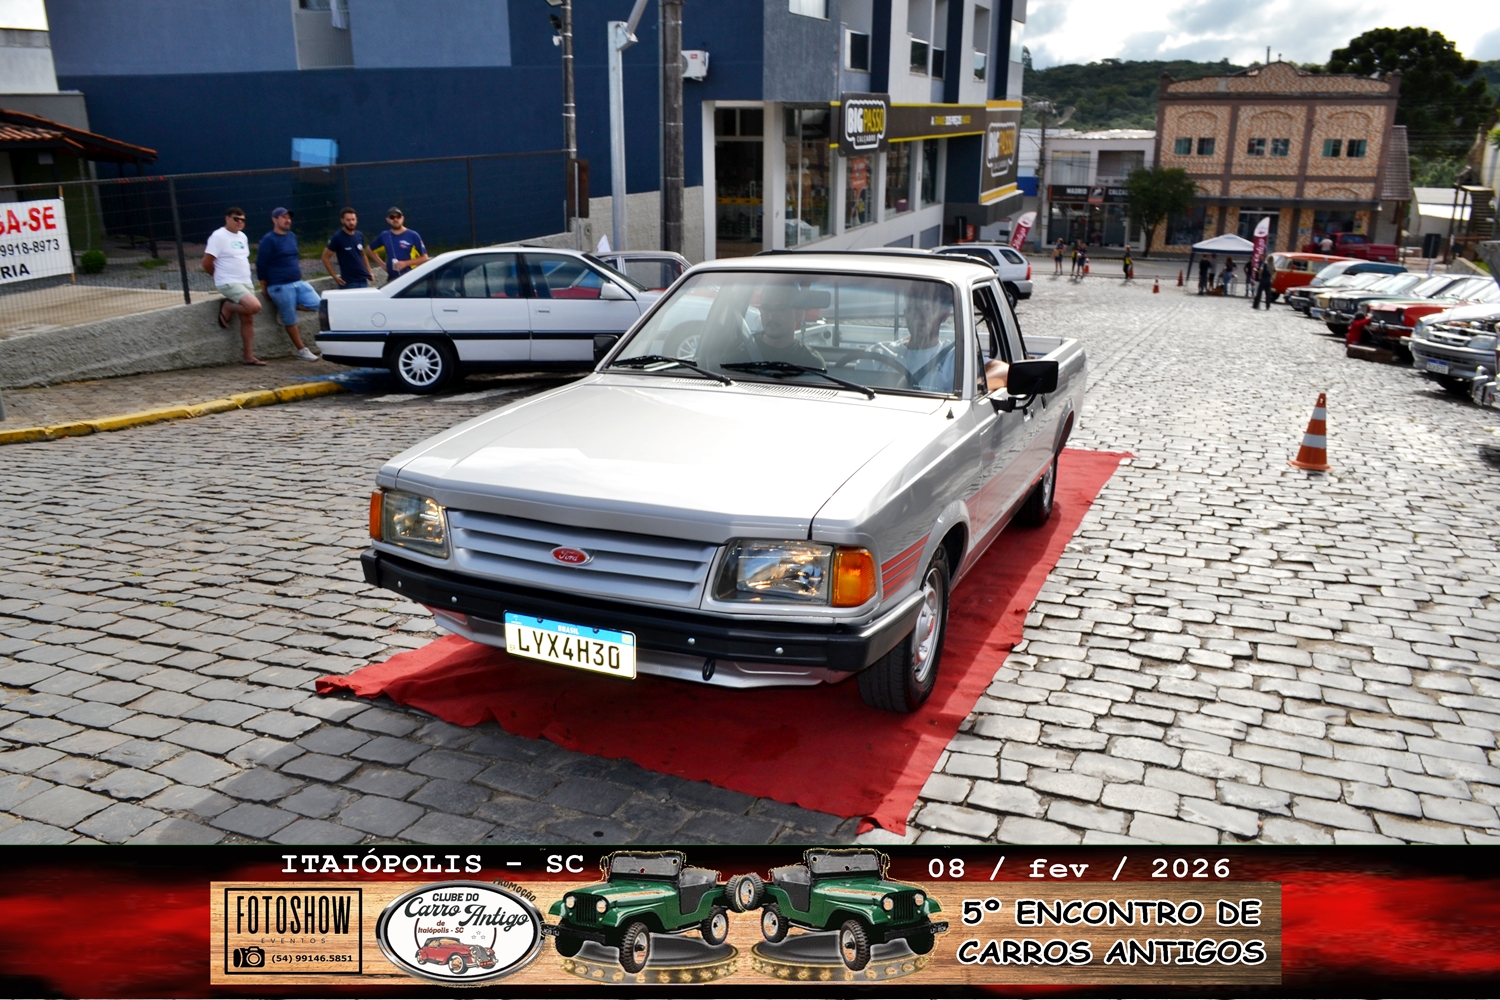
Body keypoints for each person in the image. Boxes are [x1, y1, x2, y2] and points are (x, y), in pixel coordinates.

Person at [256, 207, 320, 361]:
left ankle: (286, 306)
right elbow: (261, 264)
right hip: (279, 285)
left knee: (320, 304)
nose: (287, 220)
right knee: (290, 319)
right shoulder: (269, 240)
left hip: (298, 282)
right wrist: (264, 287)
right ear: (274, 220)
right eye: (283, 217)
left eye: (289, 217)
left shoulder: (292, 236)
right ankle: (302, 350)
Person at [203, 207, 264, 365]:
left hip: (245, 281)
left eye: (242, 220)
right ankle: (228, 306)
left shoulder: (242, 236)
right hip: (228, 281)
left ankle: (248, 356)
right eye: (236, 219)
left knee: (248, 318)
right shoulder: (218, 236)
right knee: (254, 306)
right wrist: (218, 276)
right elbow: (207, 262)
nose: (240, 222)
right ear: (227, 219)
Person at [716, 281, 827, 369]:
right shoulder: (739, 352)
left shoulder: (811, 362)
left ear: (798, 314)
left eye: (780, 309)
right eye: (766, 308)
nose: (771, 316)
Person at [322, 207, 381, 289]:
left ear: (356, 220)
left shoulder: (359, 235)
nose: (351, 222)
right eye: (348, 220)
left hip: (363, 280)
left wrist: (370, 272)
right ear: (342, 220)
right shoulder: (337, 237)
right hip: (348, 283)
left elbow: (363, 255)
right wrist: (335, 277)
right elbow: (325, 257)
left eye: (353, 219)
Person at [374, 207, 429, 282]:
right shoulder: (384, 235)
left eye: (398, 217)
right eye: (392, 217)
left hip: (410, 278)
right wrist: (383, 265)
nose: (395, 219)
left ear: (402, 218)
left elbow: (424, 258)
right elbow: (369, 250)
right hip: (392, 279)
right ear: (387, 220)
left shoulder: (413, 235)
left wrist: (405, 263)